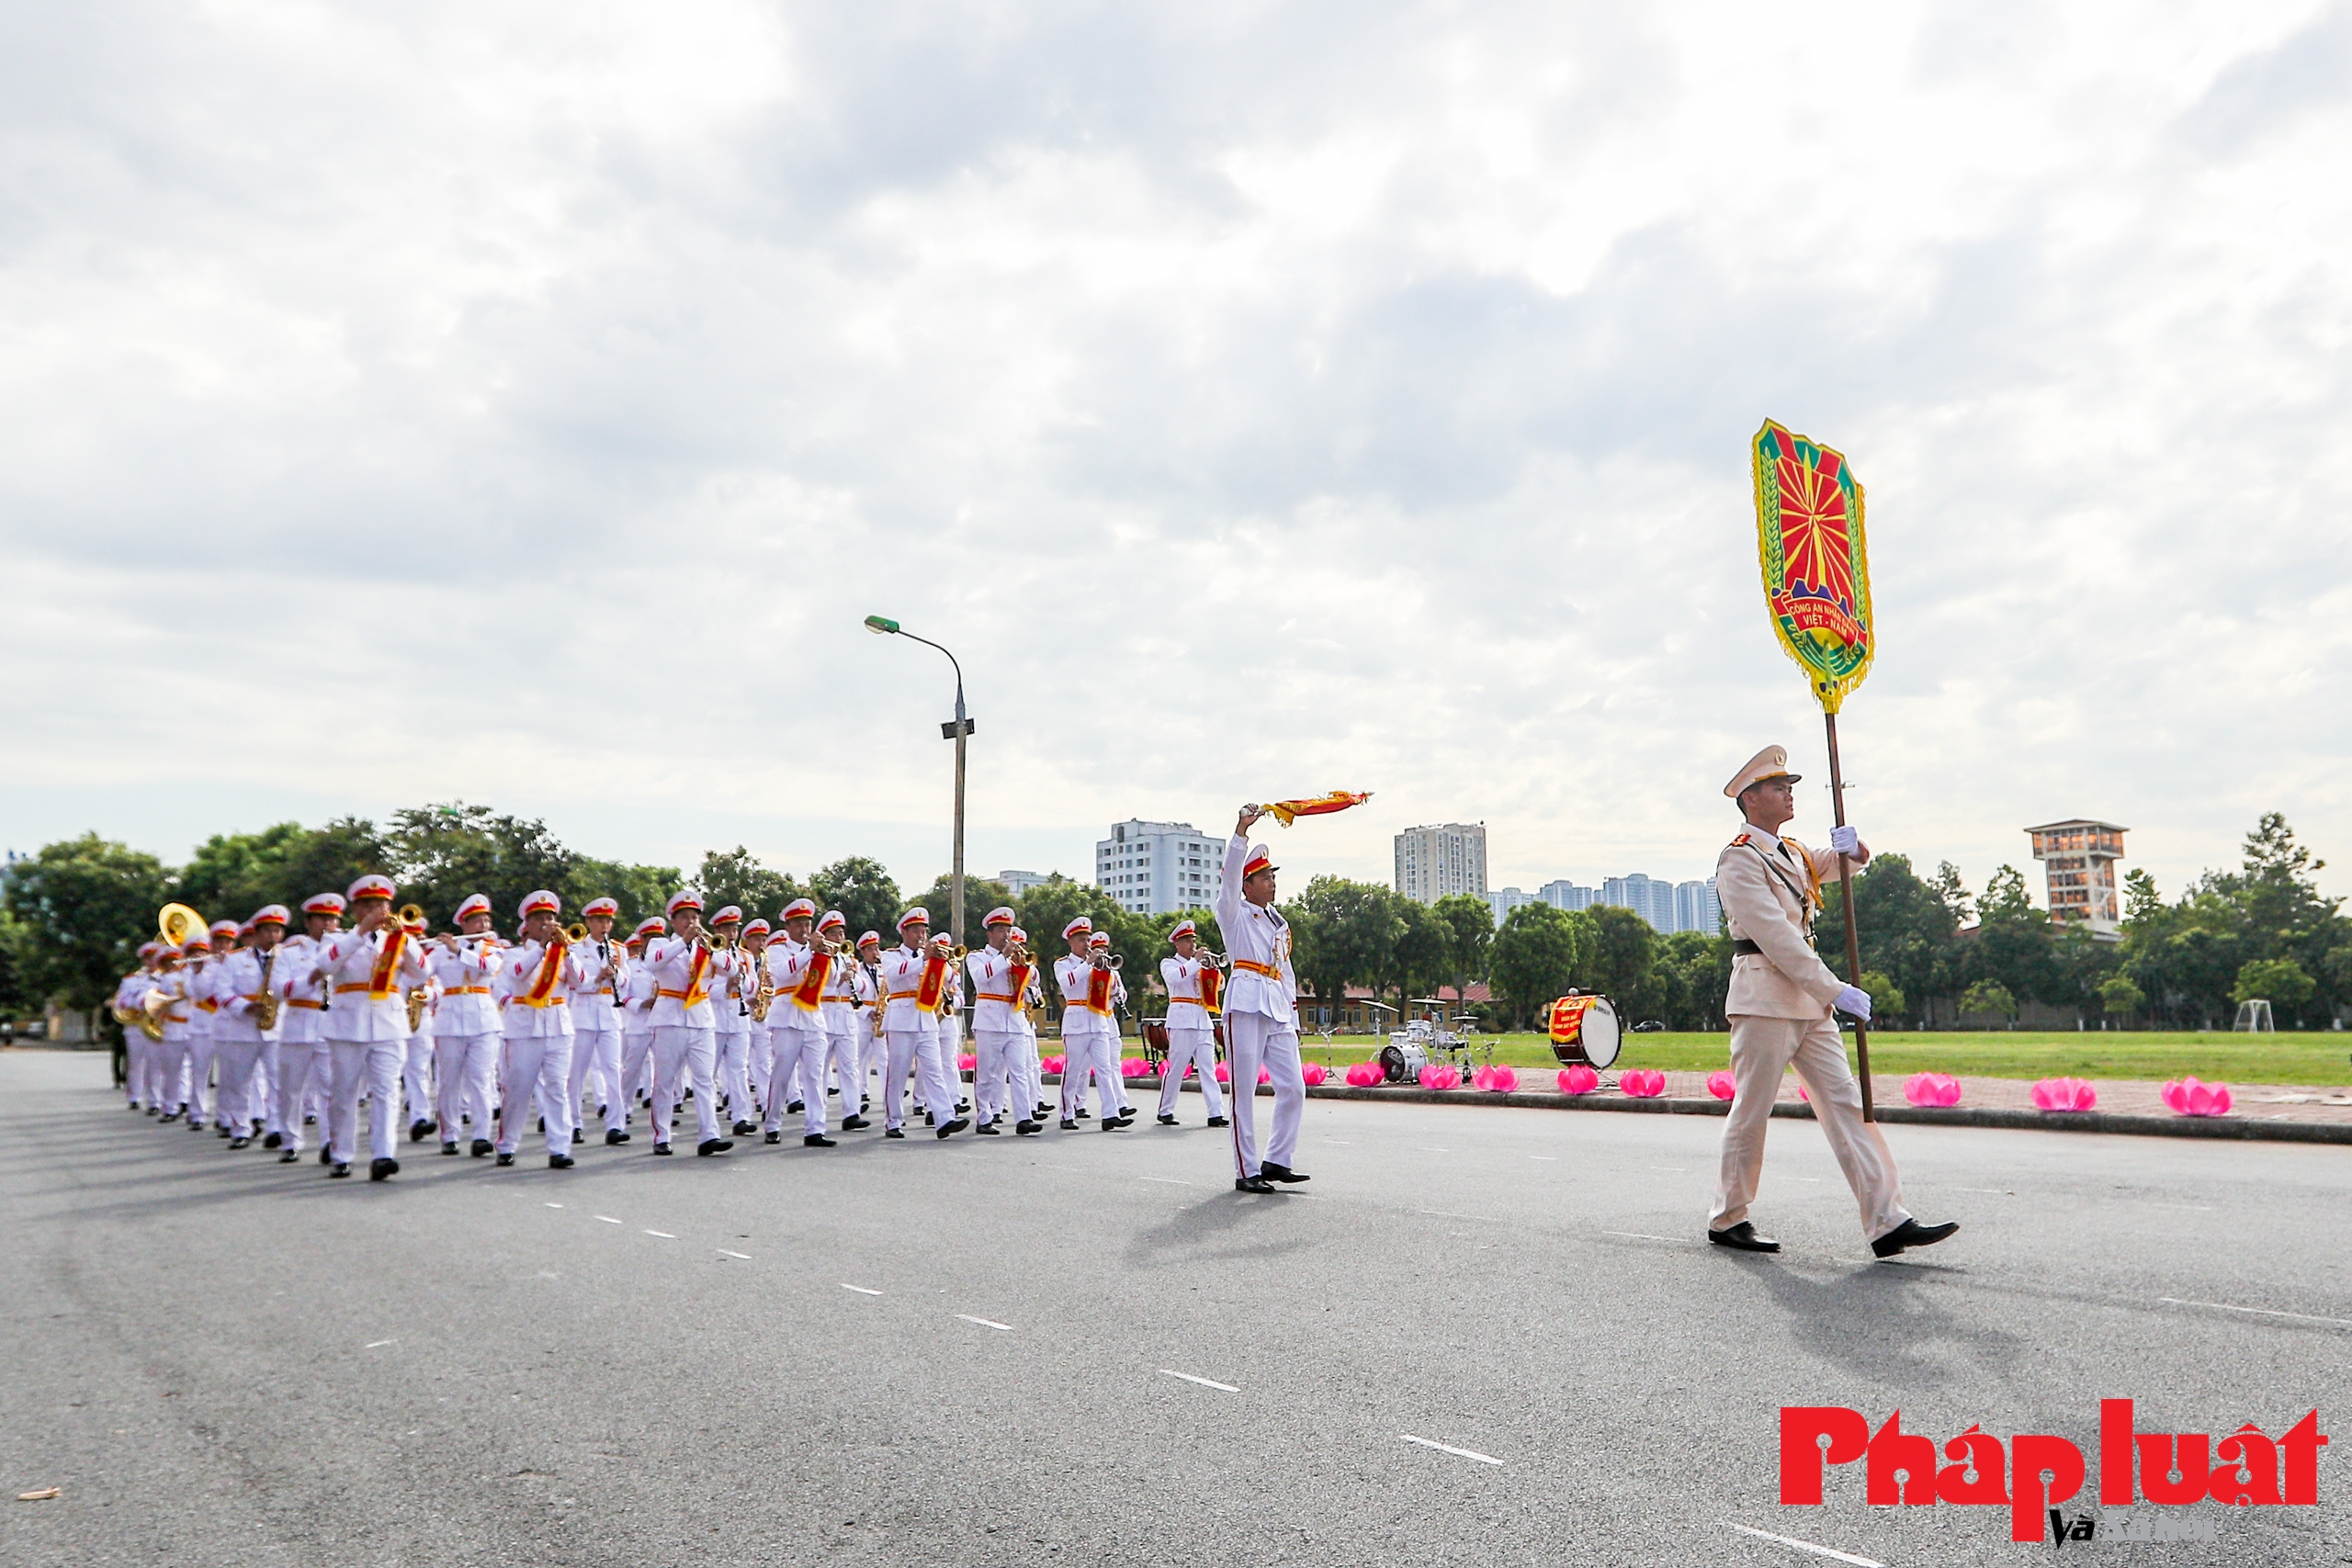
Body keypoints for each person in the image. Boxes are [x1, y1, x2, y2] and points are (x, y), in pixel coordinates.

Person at [1706, 745, 1959, 1259]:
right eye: (1779, 787)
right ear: (1751, 800)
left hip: (1808, 1004)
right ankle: (1729, 1217)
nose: (1789, 793)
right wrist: (1835, 990)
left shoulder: (1792, 853)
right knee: (1752, 1111)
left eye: (1790, 786)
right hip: (1765, 1000)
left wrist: (1854, 848)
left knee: (1849, 1106)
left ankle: (1888, 1219)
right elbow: (1777, 938)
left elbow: (1839, 866)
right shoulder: (1739, 859)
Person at [313, 874, 431, 1180]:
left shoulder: (400, 937)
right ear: (357, 910)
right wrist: (361, 932)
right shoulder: (336, 939)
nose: (379, 911)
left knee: (387, 1091)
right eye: (370, 906)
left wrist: (405, 939)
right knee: (344, 1093)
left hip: (389, 1021)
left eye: (383, 905)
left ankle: (383, 1155)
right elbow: (326, 966)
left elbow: (422, 973)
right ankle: (341, 1154)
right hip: (348, 1022)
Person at [1218, 808, 1307, 1193]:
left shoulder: (1278, 922)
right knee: (1244, 1091)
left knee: (1294, 1087)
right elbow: (1228, 878)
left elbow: (1285, 971)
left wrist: (1294, 1019)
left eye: (1272, 876)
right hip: (1246, 1001)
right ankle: (1246, 1169)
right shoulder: (1233, 913)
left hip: (1275, 1005)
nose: (1272, 883)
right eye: (1266, 877)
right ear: (1248, 884)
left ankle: (1277, 1159)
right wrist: (1241, 831)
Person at [493, 890, 586, 1168]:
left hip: (558, 1024)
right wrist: (542, 947)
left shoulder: (565, 951)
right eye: (540, 919)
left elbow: (581, 982)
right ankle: (507, 1144)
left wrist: (567, 952)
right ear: (528, 924)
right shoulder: (514, 953)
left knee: (558, 1088)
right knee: (518, 1090)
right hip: (524, 1027)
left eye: (550, 917)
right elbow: (517, 973)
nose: (547, 923)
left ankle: (560, 1148)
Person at [642, 891, 733, 1156]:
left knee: (705, 1079)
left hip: (701, 1017)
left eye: (695, 917)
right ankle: (661, 1136)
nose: (691, 922)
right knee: (665, 1081)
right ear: (674, 921)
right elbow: (652, 964)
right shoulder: (660, 943)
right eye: (684, 918)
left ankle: (709, 1136)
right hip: (670, 1018)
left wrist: (711, 948)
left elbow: (732, 968)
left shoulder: (707, 946)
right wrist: (683, 941)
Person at [876, 908, 966, 1139]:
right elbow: (894, 974)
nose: (921, 935)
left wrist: (940, 959)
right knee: (898, 1074)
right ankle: (893, 1121)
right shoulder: (892, 955)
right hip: (901, 1019)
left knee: (934, 1071)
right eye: (916, 930)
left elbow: (947, 977)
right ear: (904, 932)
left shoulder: (931, 958)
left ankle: (944, 1118)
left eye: (924, 931)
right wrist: (923, 959)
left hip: (926, 1020)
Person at [426, 895, 503, 1156]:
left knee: (481, 1079)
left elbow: (488, 968)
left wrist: (458, 951)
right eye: (477, 920)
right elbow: (420, 971)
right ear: (464, 924)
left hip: (483, 1020)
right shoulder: (440, 951)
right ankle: (449, 1134)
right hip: (448, 1020)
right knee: (449, 1081)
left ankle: (482, 1135)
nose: (483, 924)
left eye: (486, 919)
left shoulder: (493, 949)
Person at [266, 893, 342, 1162]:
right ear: (309, 922)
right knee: (291, 1088)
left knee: (331, 1089)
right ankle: (291, 1140)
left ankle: (330, 1142)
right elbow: (277, 989)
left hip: (330, 1025)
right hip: (298, 1023)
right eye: (323, 919)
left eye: (333, 919)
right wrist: (310, 979)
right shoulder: (290, 953)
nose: (329, 924)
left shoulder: (344, 949)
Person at [759, 899, 838, 1146]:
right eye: (799, 925)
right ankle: (772, 1123)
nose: (805, 929)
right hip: (787, 1018)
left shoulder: (818, 950)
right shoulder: (777, 949)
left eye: (808, 924)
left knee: (815, 1076)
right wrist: (808, 952)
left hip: (813, 1018)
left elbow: (834, 981)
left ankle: (815, 1128)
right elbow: (783, 973)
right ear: (789, 926)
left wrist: (827, 956)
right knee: (782, 1074)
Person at [208, 908, 288, 1149]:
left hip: (277, 1026)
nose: (272, 936)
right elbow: (222, 991)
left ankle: (275, 1127)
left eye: (277, 931)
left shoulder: (287, 957)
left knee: (277, 1081)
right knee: (239, 1081)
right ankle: (241, 1128)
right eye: (267, 931)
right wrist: (245, 1007)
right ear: (257, 933)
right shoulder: (235, 959)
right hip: (243, 1027)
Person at [967, 908, 1044, 1135]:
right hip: (989, 1020)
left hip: (1015, 1019)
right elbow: (981, 977)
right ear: (990, 933)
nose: (1006, 935)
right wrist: (1004, 957)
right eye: (1001, 930)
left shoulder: (1015, 957)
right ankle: (984, 1118)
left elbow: (1034, 979)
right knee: (986, 1074)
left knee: (1019, 1071)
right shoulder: (977, 956)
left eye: (1008, 930)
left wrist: (1023, 961)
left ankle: (1024, 1118)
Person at [1053, 918, 1129, 1131]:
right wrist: (1088, 964)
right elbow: (1068, 982)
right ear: (1071, 942)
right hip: (1076, 1021)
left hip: (1098, 1022)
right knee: (1073, 1071)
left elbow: (1113, 990)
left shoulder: (1098, 964)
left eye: (1088, 939)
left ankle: (1110, 1114)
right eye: (1081, 940)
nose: (1086, 944)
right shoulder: (1063, 964)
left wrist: (1108, 972)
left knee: (1105, 1069)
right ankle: (1067, 1113)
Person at [567, 897, 628, 1145]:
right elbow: (575, 983)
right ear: (589, 922)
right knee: (576, 1072)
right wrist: (598, 976)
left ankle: (616, 1124)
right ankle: (572, 1123)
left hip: (610, 1015)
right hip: (583, 1013)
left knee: (613, 1071)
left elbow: (627, 984)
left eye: (608, 921)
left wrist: (617, 973)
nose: (604, 926)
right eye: (600, 921)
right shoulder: (575, 948)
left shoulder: (619, 949)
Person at [1156, 919, 1229, 1129]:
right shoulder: (1169, 963)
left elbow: (1220, 987)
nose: (1192, 944)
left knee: (1208, 1069)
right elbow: (1175, 979)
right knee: (1177, 1068)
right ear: (1177, 943)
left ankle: (1216, 1113)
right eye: (1187, 940)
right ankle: (1165, 1110)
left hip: (1202, 1021)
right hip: (1181, 1020)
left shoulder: (1198, 965)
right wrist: (1196, 962)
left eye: (1193, 940)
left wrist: (1213, 969)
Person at [816, 912, 872, 1130]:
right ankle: (818, 1113)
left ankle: (852, 1112)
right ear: (826, 936)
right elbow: (819, 982)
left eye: (841, 933)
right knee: (820, 1069)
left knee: (850, 1068)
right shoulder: (821, 957)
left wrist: (853, 977)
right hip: (826, 1013)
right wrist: (838, 980)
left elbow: (864, 987)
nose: (839, 937)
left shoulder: (849, 960)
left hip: (847, 1017)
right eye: (834, 934)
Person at [707, 906, 758, 1136]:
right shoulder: (709, 953)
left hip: (738, 1018)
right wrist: (723, 987)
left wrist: (743, 982)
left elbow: (754, 986)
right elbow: (701, 987)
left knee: (738, 1069)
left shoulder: (745, 956)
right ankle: (707, 1119)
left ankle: (741, 1116)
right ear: (717, 930)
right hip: (715, 1016)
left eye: (734, 929)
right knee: (709, 1071)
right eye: (726, 929)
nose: (731, 933)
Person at [614, 916, 664, 1142]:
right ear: (641, 940)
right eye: (650, 937)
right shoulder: (632, 966)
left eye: (658, 937)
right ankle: (623, 1109)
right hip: (639, 1021)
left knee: (664, 1070)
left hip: (663, 1020)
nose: (654, 942)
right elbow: (622, 996)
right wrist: (640, 1004)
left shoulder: (667, 960)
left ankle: (663, 1111)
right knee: (632, 1069)